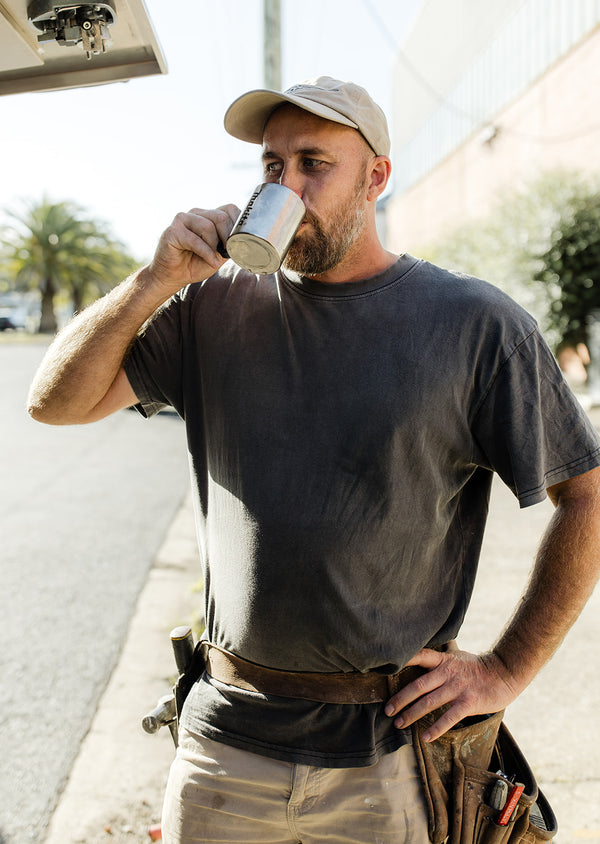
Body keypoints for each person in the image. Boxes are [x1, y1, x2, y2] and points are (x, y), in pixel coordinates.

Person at [28, 76, 600, 844]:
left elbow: (587, 495)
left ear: (376, 179)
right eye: (271, 167)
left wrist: (505, 670)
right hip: (224, 743)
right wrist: (153, 281)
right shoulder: (211, 306)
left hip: (389, 758)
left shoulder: (474, 324)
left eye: (312, 164)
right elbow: (55, 402)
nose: (286, 185)